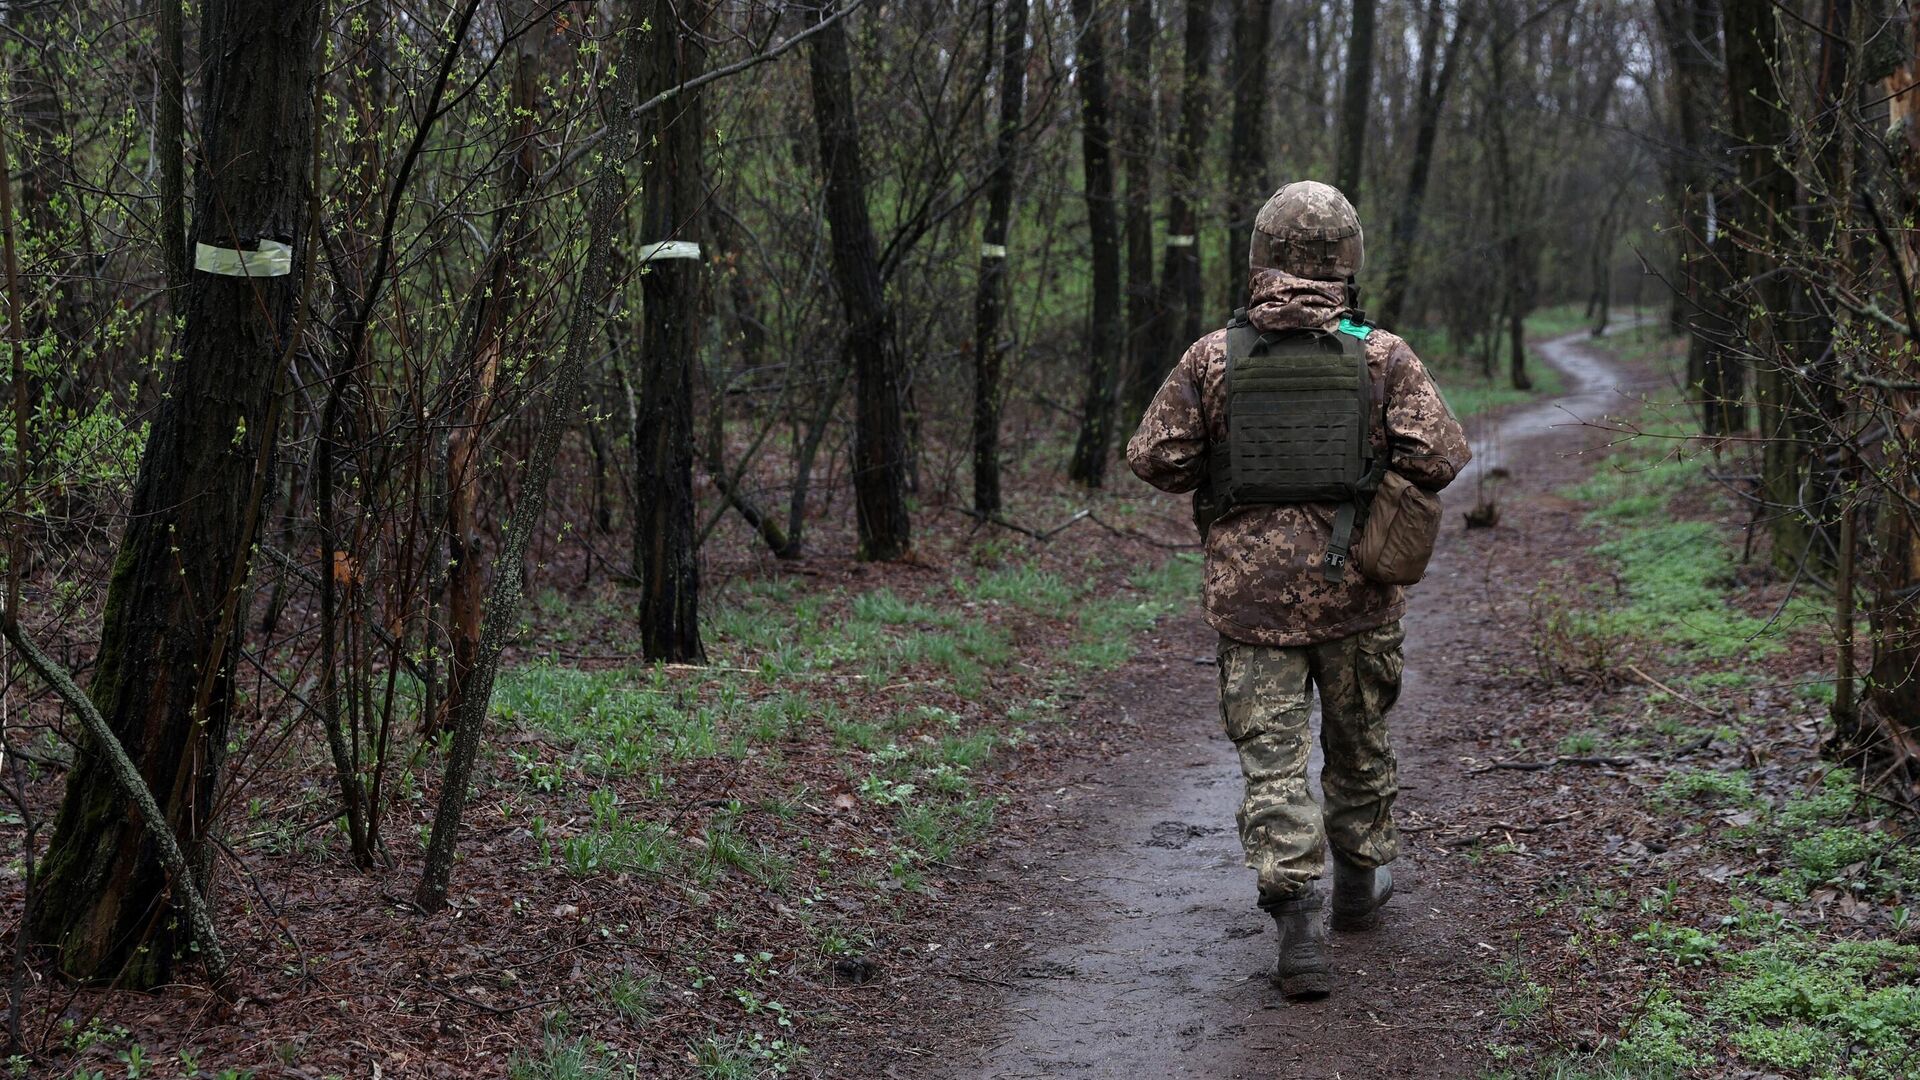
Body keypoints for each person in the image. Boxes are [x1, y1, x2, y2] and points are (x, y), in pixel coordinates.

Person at [1125, 180, 1470, 1001]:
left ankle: (1298, 927)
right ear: (1347, 260)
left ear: (1261, 257)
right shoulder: (1380, 353)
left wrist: (1229, 462)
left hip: (1250, 603)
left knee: (1272, 762)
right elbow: (1443, 457)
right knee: (1358, 744)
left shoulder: (1213, 356)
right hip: (1356, 595)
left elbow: (1154, 459)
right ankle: (1358, 889)